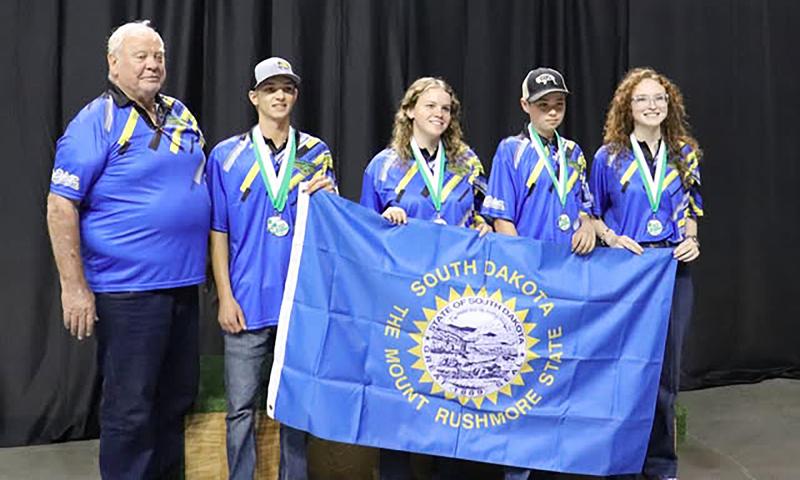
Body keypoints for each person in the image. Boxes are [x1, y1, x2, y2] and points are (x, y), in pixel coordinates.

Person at [46, 20, 209, 479]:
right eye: (141, 56)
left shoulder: (180, 112)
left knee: (175, 401)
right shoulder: (94, 122)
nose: (153, 64)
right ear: (113, 63)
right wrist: (73, 288)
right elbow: (61, 206)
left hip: (181, 286)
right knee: (131, 407)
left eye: (158, 55)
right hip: (128, 293)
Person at [206, 57, 335, 480]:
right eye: (270, 89)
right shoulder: (227, 156)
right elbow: (217, 230)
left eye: (287, 88)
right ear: (254, 97)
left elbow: (328, 229)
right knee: (240, 408)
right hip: (245, 301)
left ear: (295, 96)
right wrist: (225, 296)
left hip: (299, 302)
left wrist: (330, 197)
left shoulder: (316, 154)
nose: (280, 96)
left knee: (295, 409)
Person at [360, 76, 490, 480]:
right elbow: (363, 235)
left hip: (456, 299)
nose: (439, 114)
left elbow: (487, 212)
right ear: (410, 111)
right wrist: (384, 222)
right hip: (404, 300)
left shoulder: (467, 163)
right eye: (431, 106)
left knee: (451, 396)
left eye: (446, 109)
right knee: (401, 396)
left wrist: (484, 224)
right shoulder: (382, 166)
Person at [481, 67, 595, 480]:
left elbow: (586, 205)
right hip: (528, 282)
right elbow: (501, 219)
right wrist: (523, 268)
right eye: (543, 104)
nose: (552, 110)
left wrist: (586, 222)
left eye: (558, 103)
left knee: (561, 373)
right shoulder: (510, 150)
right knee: (523, 377)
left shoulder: (575, 153)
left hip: (568, 277)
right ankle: (518, 471)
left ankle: (558, 463)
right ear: (525, 105)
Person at [590, 67, 703, 480]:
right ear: (628, 107)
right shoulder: (609, 157)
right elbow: (592, 214)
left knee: (665, 378)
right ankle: (622, 466)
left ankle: (660, 466)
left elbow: (691, 209)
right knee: (625, 371)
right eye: (643, 99)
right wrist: (612, 237)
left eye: (659, 99)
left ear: (669, 104)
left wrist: (692, 238)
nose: (652, 106)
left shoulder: (684, 153)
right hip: (628, 272)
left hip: (672, 269)